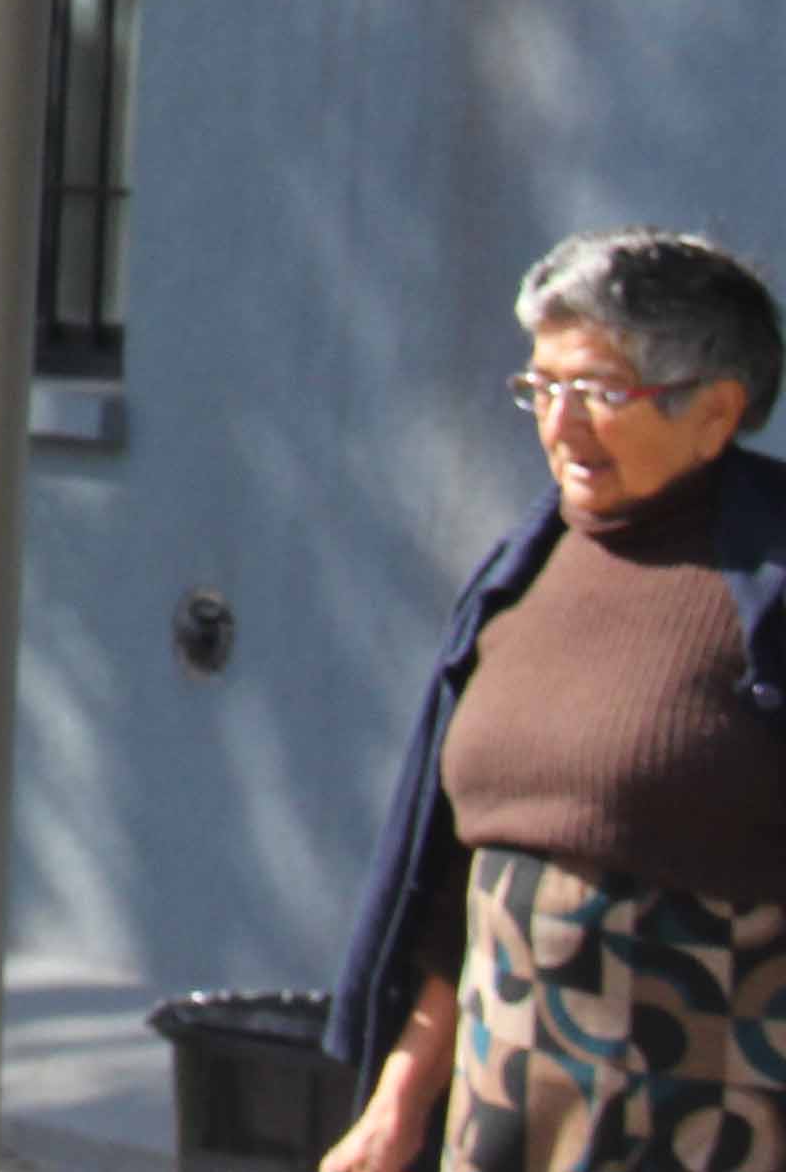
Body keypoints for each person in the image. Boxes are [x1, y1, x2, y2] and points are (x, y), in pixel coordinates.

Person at [323, 227, 786, 1172]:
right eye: (544, 387)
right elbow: (458, 884)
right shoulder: (523, 574)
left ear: (717, 411)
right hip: (508, 1115)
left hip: (712, 1124)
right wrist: (399, 1101)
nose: (560, 423)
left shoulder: (767, 588)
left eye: (602, 392)